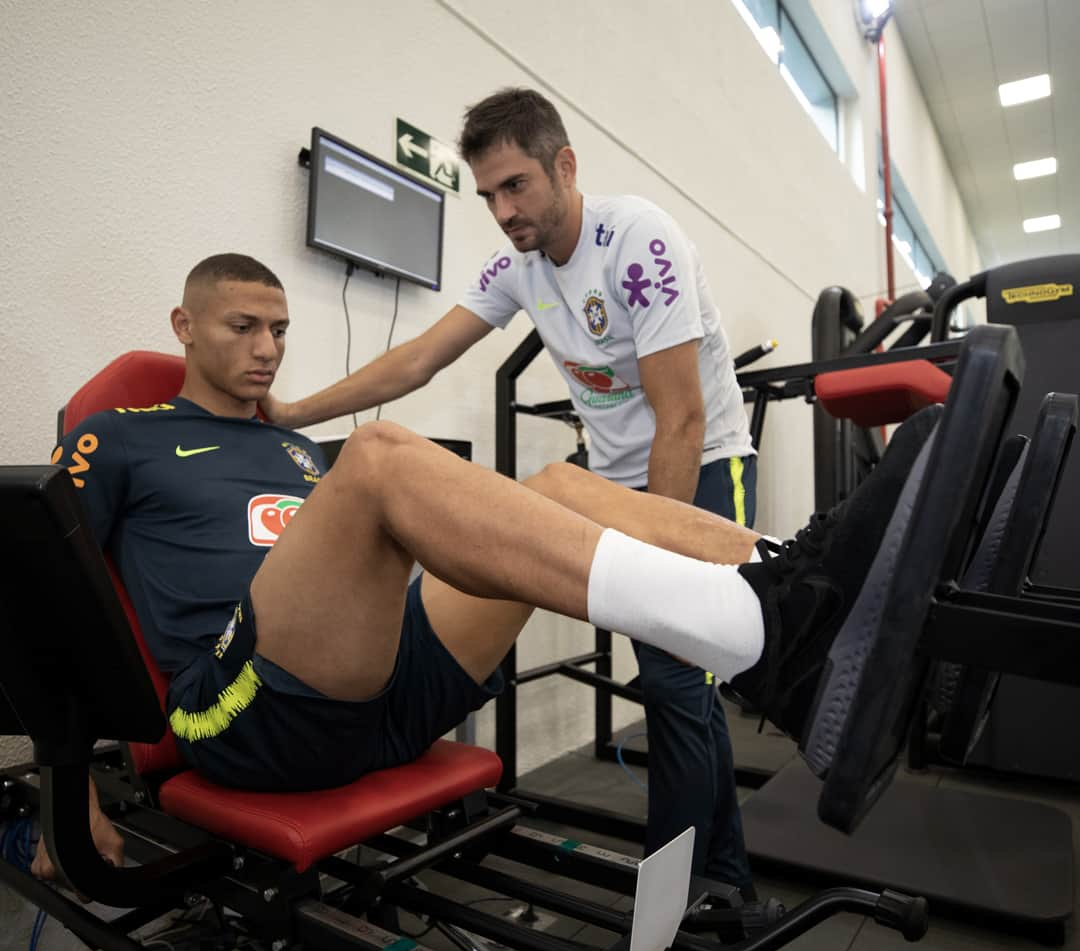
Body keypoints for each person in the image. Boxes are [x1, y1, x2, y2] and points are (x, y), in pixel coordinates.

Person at [37, 253, 935, 886]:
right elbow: (44, 602)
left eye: (278, 328)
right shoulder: (120, 437)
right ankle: (760, 635)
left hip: (380, 698)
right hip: (240, 717)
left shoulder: (297, 452)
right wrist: (65, 791)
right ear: (184, 327)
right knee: (383, 454)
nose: (268, 347)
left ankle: (795, 579)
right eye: (243, 326)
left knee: (559, 483)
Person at [264, 87, 761, 890]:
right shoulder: (519, 269)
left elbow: (682, 420)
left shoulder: (638, 240)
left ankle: (676, 920)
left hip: (699, 470)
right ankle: (724, 892)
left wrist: (655, 567)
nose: (502, 210)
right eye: (489, 194)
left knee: (673, 681)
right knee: (683, 692)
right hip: (611, 484)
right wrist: (292, 411)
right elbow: (418, 358)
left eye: (516, 185)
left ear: (564, 165)